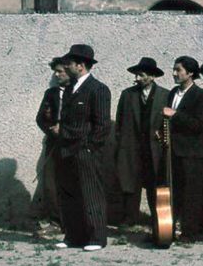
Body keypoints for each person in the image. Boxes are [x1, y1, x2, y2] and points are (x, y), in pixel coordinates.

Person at [54, 44, 111, 252]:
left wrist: (88, 148)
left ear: (81, 65)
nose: (67, 66)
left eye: (70, 63)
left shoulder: (98, 89)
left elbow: (103, 125)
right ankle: (73, 236)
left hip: (85, 151)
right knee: (69, 194)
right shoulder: (70, 88)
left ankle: (97, 238)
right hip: (66, 151)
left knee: (91, 195)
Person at [115, 57, 169, 230]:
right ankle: (129, 218)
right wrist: (122, 144)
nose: (137, 78)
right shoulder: (127, 95)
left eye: (141, 75)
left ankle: (157, 219)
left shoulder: (165, 95)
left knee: (155, 185)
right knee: (130, 184)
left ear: (152, 77)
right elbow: (120, 122)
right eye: (136, 75)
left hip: (154, 149)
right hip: (132, 149)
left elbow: (168, 123)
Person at [163, 56, 203, 243]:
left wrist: (175, 115)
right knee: (175, 191)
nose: (174, 74)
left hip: (192, 152)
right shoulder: (173, 92)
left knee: (191, 193)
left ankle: (190, 232)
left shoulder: (201, 96)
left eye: (178, 70)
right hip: (173, 151)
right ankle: (170, 228)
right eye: (174, 70)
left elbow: (200, 124)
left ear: (190, 73)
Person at [33, 57, 70, 230]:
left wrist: (66, 129)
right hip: (53, 145)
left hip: (73, 145)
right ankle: (56, 221)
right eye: (54, 71)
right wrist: (51, 130)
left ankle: (73, 222)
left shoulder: (79, 91)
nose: (56, 75)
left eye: (59, 71)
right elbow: (40, 118)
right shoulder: (51, 93)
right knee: (50, 182)